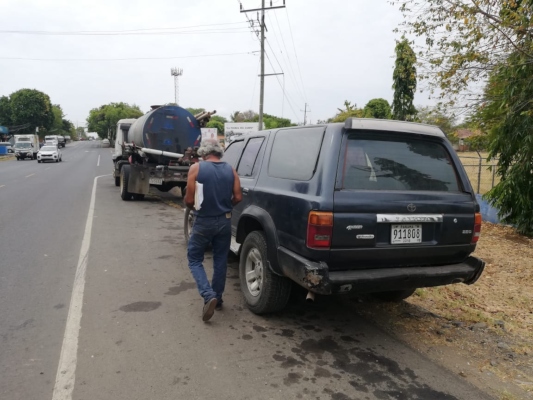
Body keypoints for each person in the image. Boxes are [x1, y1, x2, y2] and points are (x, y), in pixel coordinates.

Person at [184, 139, 242, 322]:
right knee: (220, 259)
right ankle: (218, 298)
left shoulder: (196, 168)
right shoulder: (231, 170)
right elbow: (238, 197)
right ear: (219, 154)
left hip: (203, 221)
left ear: (204, 154)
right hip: (224, 221)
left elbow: (188, 200)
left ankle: (208, 295)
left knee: (194, 259)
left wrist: (195, 207)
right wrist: (226, 206)